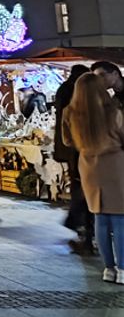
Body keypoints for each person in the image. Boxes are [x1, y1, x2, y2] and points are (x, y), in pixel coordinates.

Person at [62, 72, 124, 284]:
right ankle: (123, 269)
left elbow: (67, 141)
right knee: (119, 218)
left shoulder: (70, 113)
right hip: (115, 165)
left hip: (88, 166)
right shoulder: (113, 111)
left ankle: (108, 269)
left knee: (100, 217)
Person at [55, 65, 94, 254]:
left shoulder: (66, 95)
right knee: (89, 197)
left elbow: (66, 138)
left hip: (78, 155)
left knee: (83, 193)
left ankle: (83, 232)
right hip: (92, 157)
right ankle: (87, 234)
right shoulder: (96, 103)